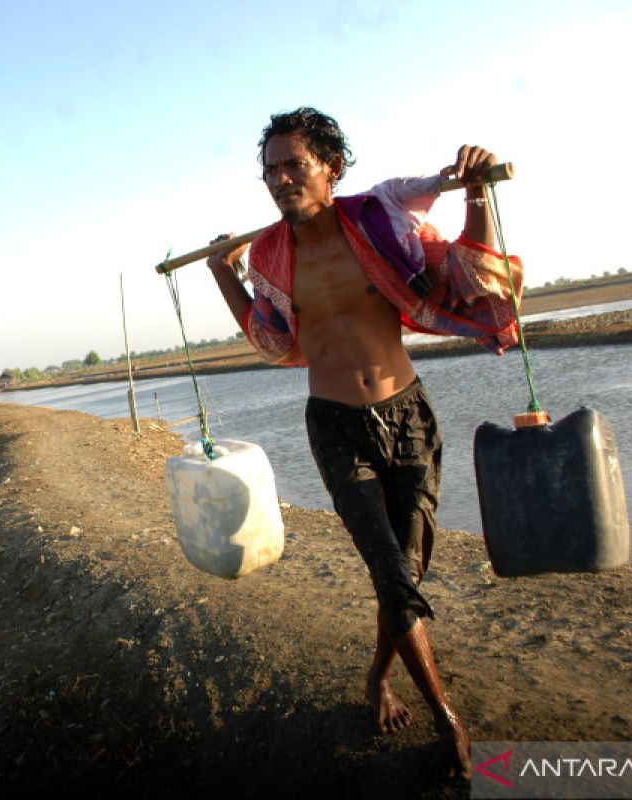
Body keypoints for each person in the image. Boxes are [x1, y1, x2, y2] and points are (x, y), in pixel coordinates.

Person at [205, 107, 522, 780]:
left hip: (409, 416)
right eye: (270, 170)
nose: (280, 180)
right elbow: (270, 341)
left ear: (331, 169)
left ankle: (377, 676)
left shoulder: (378, 219)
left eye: (295, 165)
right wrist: (220, 270)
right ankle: (449, 723)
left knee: (407, 571)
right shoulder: (269, 256)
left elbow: (475, 276)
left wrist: (474, 191)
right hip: (336, 425)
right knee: (391, 572)